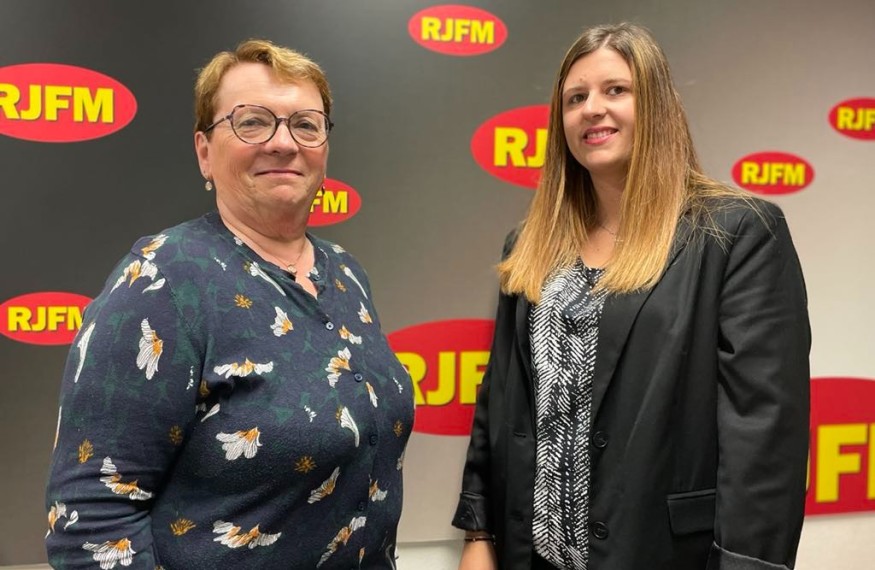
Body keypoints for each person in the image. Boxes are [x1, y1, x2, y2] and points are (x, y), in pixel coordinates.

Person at [453, 22, 809, 570]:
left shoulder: (736, 233)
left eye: (616, 90)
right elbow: (499, 395)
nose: (592, 109)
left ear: (656, 105)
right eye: (576, 98)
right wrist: (478, 531)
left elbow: (764, 434)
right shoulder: (530, 244)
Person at [45, 39, 414, 569]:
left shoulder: (347, 274)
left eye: (305, 125)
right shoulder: (161, 281)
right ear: (204, 152)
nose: (283, 143)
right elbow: (91, 523)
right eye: (252, 122)